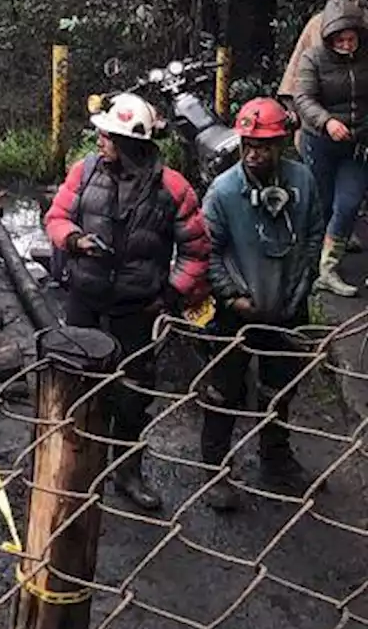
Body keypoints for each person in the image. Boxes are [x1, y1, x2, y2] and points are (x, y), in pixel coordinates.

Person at [45, 91, 210, 511]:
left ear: (130, 143)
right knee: (75, 383)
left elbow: (195, 251)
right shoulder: (83, 173)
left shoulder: (172, 188)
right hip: (86, 300)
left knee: (134, 393)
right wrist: (75, 240)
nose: (99, 141)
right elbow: (57, 218)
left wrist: (171, 295)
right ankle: (73, 465)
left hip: (139, 308)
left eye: (107, 136)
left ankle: (127, 470)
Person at [199, 99, 324, 508]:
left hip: (286, 309)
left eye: (265, 145)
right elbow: (209, 252)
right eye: (249, 144)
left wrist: (300, 286)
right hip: (235, 314)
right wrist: (232, 296)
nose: (255, 153)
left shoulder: (302, 182)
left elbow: (312, 236)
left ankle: (276, 458)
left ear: (281, 144)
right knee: (224, 390)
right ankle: (215, 468)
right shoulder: (223, 192)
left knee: (279, 386)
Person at [293, 0, 368, 297]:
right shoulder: (313, 58)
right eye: (341, 40)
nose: (347, 45)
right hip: (321, 141)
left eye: (352, 39)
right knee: (322, 202)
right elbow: (303, 98)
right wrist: (326, 122)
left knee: (348, 203)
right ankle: (309, 262)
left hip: (357, 143)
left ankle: (329, 268)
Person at [279, 0, 364, 101]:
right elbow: (297, 66)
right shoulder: (317, 23)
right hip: (325, 102)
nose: (340, 5)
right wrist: (289, 99)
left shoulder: (365, 20)